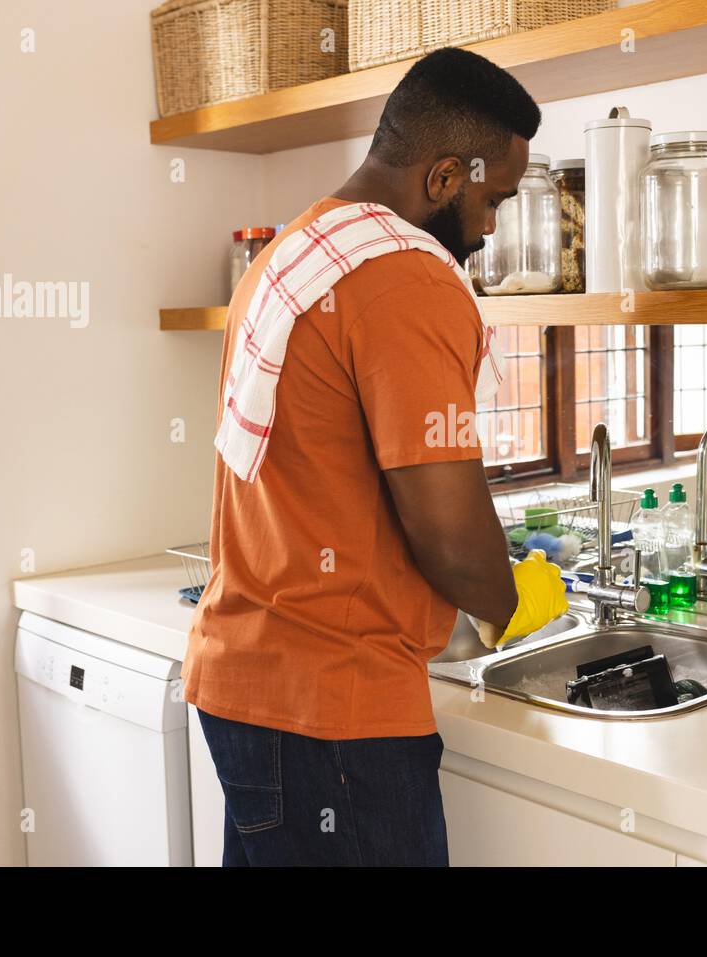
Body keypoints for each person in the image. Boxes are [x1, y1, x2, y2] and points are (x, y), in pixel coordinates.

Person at [181, 48, 567, 867]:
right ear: (442, 178)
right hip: (334, 716)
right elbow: (451, 536)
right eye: (491, 198)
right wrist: (512, 595)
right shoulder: (405, 279)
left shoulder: (291, 254)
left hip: (245, 686)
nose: (493, 226)